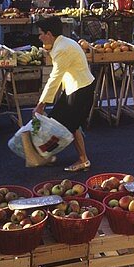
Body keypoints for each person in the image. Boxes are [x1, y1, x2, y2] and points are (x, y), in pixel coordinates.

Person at [31, 16, 96, 172]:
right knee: (60, 121)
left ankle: (83, 159)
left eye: (41, 33)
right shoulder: (62, 43)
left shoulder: (62, 49)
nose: (39, 37)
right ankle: (48, 155)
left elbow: (54, 78)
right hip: (76, 87)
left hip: (81, 89)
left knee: (69, 124)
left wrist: (41, 104)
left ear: (49, 33)